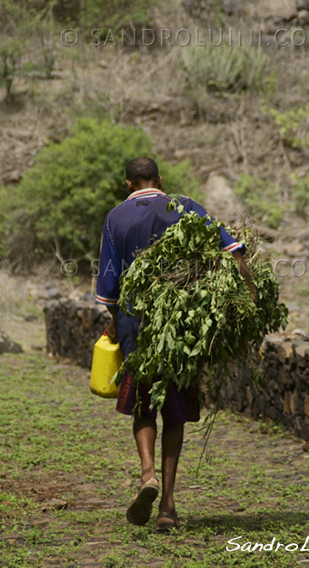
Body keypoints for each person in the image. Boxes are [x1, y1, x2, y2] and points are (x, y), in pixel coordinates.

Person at [96, 157, 256, 531]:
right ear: (159, 180)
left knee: (143, 403)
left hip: (134, 323)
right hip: (182, 325)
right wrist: (248, 290)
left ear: (127, 184)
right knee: (175, 411)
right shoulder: (184, 206)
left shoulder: (114, 218)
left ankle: (147, 474)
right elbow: (232, 248)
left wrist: (114, 324)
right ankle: (167, 505)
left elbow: (108, 287)